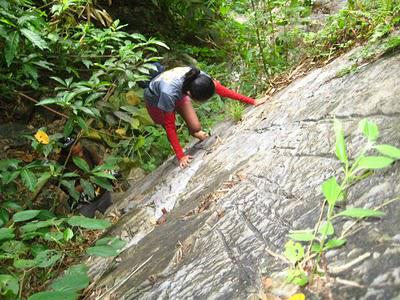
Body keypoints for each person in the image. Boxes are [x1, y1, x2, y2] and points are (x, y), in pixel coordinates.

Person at [144, 66, 268, 168]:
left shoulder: (201, 78)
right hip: (155, 99)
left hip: (179, 90)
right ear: (190, 94)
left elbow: (223, 91)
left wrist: (253, 101)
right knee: (166, 123)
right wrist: (181, 156)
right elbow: (170, 125)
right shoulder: (168, 93)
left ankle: (193, 132)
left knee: (195, 127)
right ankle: (177, 147)